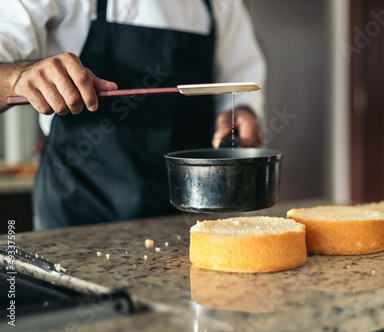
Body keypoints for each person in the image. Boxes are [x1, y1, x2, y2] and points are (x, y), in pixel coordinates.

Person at [0, 0, 266, 230]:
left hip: (190, 214)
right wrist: (17, 76)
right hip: (78, 210)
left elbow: (240, 82)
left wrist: (239, 113)